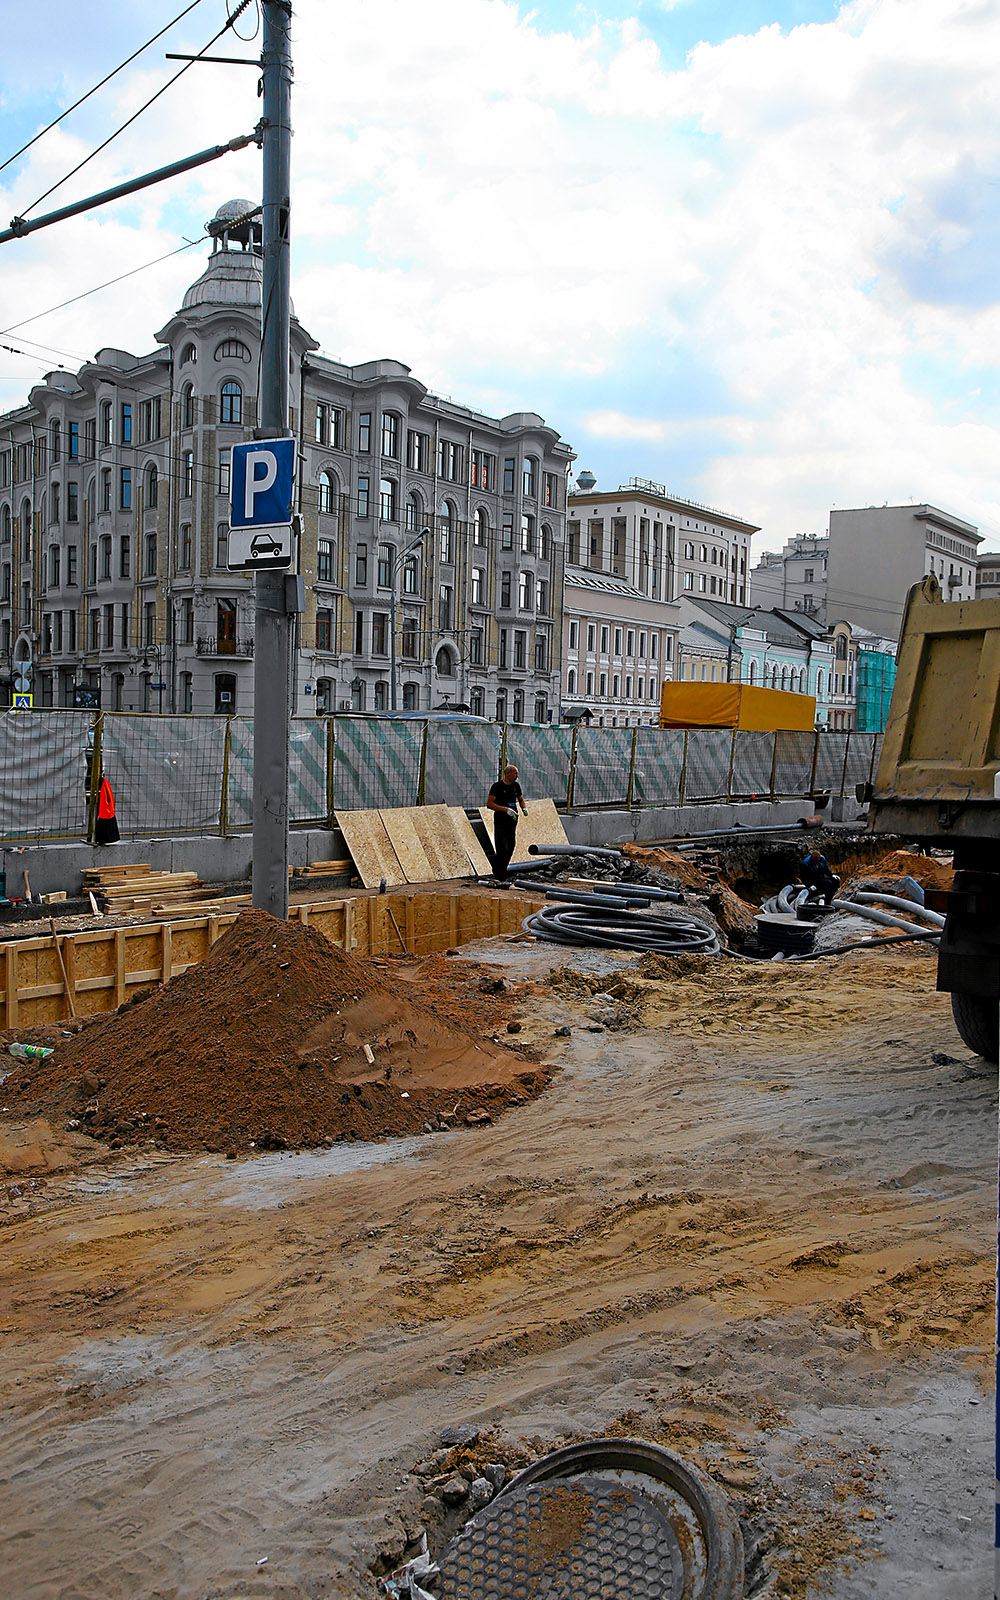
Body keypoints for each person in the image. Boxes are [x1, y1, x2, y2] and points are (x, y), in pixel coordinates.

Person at [487, 764, 528, 880]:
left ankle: (501, 869)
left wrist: (523, 808)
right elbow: (489, 804)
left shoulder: (516, 786)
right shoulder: (497, 787)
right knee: (501, 847)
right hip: (501, 819)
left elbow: (520, 799)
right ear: (508, 773)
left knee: (511, 845)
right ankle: (499, 872)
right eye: (515, 773)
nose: (517, 776)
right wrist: (504, 809)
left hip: (513, 819)